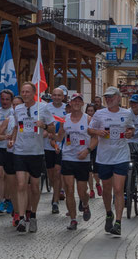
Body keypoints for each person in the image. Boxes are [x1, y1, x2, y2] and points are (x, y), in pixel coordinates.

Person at [8, 82, 55, 233]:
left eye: (28, 91)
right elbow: (16, 127)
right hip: (20, 152)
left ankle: (33, 215)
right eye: (23, 91)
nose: (25, 94)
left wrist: (45, 126)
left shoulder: (43, 107)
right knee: (21, 185)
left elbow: (53, 128)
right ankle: (21, 218)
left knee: (34, 187)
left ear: (34, 93)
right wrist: (12, 140)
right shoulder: (18, 109)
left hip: (36, 152)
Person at [88, 86, 135, 236]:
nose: (108, 99)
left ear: (118, 98)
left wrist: (129, 133)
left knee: (119, 189)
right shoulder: (99, 114)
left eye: (111, 97)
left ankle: (118, 223)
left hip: (121, 156)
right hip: (104, 157)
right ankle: (109, 213)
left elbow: (131, 129)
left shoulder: (126, 113)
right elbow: (89, 130)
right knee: (107, 190)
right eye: (106, 97)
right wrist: (98, 132)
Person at [56, 93, 92, 230]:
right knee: (69, 190)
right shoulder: (64, 120)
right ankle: (73, 219)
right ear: (70, 103)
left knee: (82, 191)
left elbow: (95, 138)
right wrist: (49, 136)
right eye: (74, 101)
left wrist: (87, 150)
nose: (77, 103)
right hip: (68, 158)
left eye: (79, 101)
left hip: (83, 159)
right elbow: (59, 137)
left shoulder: (88, 119)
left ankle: (85, 204)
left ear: (82, 104)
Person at [0, 95, 24, 227]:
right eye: (13, 105)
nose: (15, 107)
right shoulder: (9, 120)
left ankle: (25, 211)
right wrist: (6, 138)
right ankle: (16, 211)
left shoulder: (29, 118)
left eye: (18, 105)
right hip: (10, 154)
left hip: (25, 155)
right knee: (13, 185)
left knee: (23, 186)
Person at [44, 87, 67, 214]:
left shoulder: (66, 109)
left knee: (58, 172)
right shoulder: (46, 108)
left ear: (63, 97)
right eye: (55, 95)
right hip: (48, 145)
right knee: (51, 174)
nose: (57, 97)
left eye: (59, 95)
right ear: (51, 96)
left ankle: (55, 201)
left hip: (62, 145)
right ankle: (55, 191)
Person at [0, 89, 15, 214]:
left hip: (10, 147)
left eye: (7, 99)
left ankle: (9, 199)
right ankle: (1, 201)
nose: (4, 101)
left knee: (9, 175)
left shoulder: (14, 111)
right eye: (2, 99)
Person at [85, 103, 102, 198]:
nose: (90, 112)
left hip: (96, 147)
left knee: (96, 170)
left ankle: (98, 184)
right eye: (88, 111)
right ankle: (91, 190)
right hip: (87, 147)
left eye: (92, 111)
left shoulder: (98, 121)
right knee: (88, 170)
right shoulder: (84, 119)